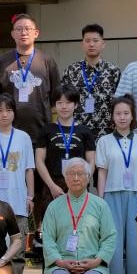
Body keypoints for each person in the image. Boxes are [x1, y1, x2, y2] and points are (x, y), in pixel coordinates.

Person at [95, 96, 137, 274]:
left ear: (133, 115)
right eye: (118, 113)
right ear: (112, 116)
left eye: (126, 113)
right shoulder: (104, 141)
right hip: (112, 195)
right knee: (114, 245)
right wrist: (101, 200)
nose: (122, 117)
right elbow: (102, 172)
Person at [0, 94, 35, 269]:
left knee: (17, 252)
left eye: (8, 110)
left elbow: (29, 169)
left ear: (14, 113)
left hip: (18, 202)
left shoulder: (23, 137)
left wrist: (30, 196)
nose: (4, 114)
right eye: (0, 110)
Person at [0, 13, 61, 142]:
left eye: (28, 29)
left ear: (36, 33)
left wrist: (55, 129)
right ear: (12, 34)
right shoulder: (2, 63)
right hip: (9, 133)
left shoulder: (47, 61)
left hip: (42, 133)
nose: (23, 33)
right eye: (19, 29)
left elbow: (56, 100)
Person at [34, 86, 99, 214]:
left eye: (68, 103)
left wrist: (83, 182)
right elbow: (39, 160)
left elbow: (91, 161)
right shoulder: (47, 130)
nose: (64, 107)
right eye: (59, 103)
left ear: (76, 105)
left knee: (78, 222)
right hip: (52, 186)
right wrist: (51, 186)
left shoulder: (85, 131)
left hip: (78, 184)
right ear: (55, 105)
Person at [61, 23, 122, 137]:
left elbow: (120, 102)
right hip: (76, 132)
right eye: (87, 41)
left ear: (103, 44)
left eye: (95, 40)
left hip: (106, 132)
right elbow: (63, 101)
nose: (91, 44)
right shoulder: (71, 71)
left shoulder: (113, 71)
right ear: (82, 44)